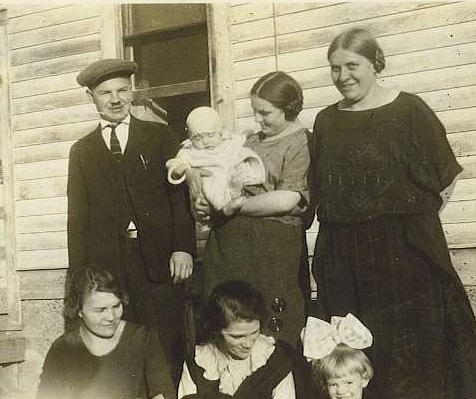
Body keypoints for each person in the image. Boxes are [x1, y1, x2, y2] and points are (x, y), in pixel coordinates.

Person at [309, 28, 476, 399]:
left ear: (375, 63)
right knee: (355, 355)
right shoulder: (325, 121)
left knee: (411, 352)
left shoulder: (410, 109)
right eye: (334, 69)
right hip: (344, 254)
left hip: (405, 252)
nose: (343, 77)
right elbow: (319, 187)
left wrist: (414, 224)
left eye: (352, 66)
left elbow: (447, 175)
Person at [67, 58, 196, 382]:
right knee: (116, 345)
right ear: (90, 97)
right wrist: (81, 277)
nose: (115, 99)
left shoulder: (159, 135)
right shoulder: (81, 151)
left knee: (165, 342)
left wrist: (183, 248)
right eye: (105, 92)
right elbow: (77, 217)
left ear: (133, 91)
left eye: (122, 90)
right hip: (108, 266)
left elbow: (178, 199)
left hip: (157, 263)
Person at [192, 71, 310, 347]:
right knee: (225, 320)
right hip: (228, 249)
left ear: (288, 109)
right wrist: (204, 200)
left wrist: (235, 206)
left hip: (272, 251)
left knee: (269, 326)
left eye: (265, 113)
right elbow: (216, 170)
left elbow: (287, 199)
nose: (257, 119)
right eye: (255, 112)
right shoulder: (248, 141)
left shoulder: (300, 142)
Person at [34, 266, 177, 399]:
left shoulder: (143, 338)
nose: (111, 317)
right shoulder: (63, 348)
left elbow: (167, 397)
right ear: (79, 310)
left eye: (116, 306)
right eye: (100, 310)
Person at [167, 280, 299, 399]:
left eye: (254, 333)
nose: (248, 344)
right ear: (216, 331)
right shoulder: (198, 362)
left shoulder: (275, 363)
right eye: (238, 337)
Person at [166, 106, 265, 215]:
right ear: (191, 138)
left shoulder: (227, 143)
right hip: (209, 179)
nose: (206, 141)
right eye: (198, 138)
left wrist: (248, 133)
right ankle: (224, 208)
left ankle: (233, 196)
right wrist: (179, 168)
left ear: (220, 133)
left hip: (229, 177)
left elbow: (239, 139)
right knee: (211, 184)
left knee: (238, 172)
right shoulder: (190, 151)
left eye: (211, 135)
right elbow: (176, 161)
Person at [300, 314, 384, 399]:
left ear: (365, 379)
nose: (341, 391)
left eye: (349, 382)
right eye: (333, 384)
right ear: (325, 385)